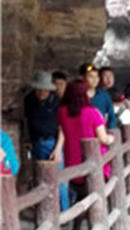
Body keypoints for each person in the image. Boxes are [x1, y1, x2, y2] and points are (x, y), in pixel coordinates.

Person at [58, 78, 111, 216]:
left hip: (72, 162)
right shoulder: (92, 112)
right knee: (97, 195)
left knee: (80, 196)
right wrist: (112, 138)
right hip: (94, 162)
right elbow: (103, 138)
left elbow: (62, 132)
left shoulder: (62, 112)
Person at [23, 70, 68, 210]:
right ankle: (46, 210)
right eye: (38, 89)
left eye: (44, 90)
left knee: (58, 179)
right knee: (40, 179)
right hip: (37, 142)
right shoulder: (29, 100)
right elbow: (27, 121)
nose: (41, 93)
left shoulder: (57, 103)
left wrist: (58, 149)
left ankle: (64, 212)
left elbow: (63, 128)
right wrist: (28, 140)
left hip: (52, 142)